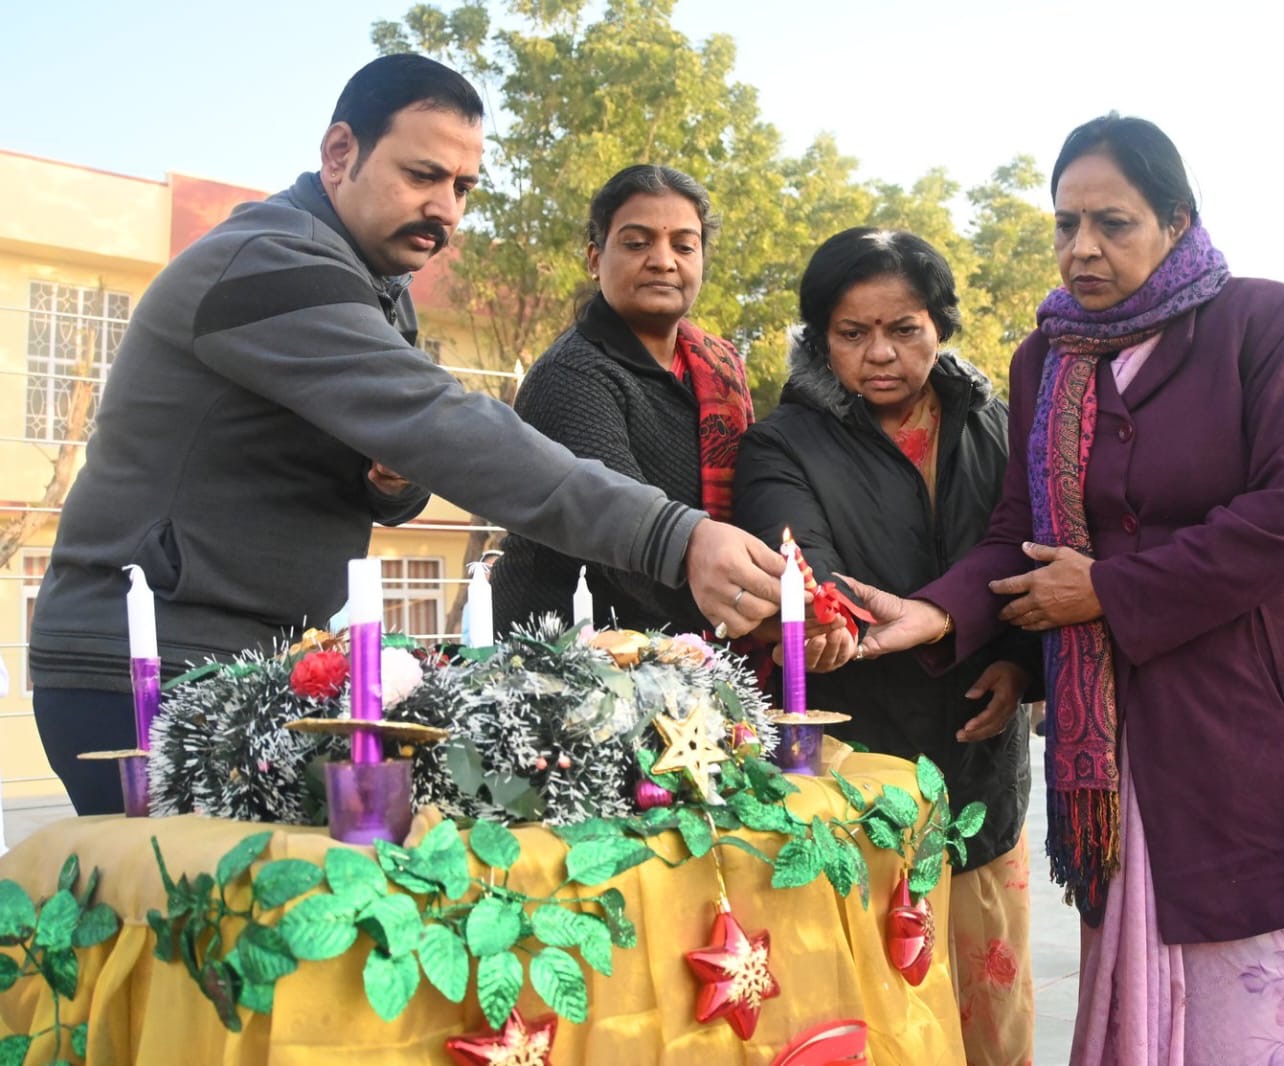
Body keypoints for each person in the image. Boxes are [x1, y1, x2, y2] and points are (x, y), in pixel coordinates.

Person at [28, 55, 782, 815]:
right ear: (340, 154)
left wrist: (391, 479)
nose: (445, 210)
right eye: (422, 175)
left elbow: (395, 465)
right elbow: (443, 425)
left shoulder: (378, 289)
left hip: (260, 663)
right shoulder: (268, 261)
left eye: (462, 188)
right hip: (146, 664)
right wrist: (675, 535)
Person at [849, 115, 1284, 1063]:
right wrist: (936, 610)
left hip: (1260, 743)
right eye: (1065, 223)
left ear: (1175, 221)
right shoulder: (1048, 359)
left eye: (1111, 223)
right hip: (1120, 748)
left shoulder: (1267, 323)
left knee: (1259, 1022)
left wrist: (1109, 591)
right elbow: (1018, 532)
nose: (1081, 248)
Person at [734, 228, 1035, 1065]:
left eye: (903, 329)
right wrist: (823, 623)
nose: (878, 354)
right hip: (854, 773)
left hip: (980, 771)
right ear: (820, 338)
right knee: (873, 1020)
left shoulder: (997, 428)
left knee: (988, 1023)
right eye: (851, 332)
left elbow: (1029, 558)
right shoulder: (780, 444)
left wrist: (1021, 664)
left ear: (940, 326)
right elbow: (803, 566)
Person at [491, 165, 753, 637]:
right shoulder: (573, 374)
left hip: (689, 642)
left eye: (684, 246)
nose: (663, 261)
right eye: (636, 243)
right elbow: (622, 539)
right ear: (595, 258)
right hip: (569, 648)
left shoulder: (720, 367)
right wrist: (758, 609)